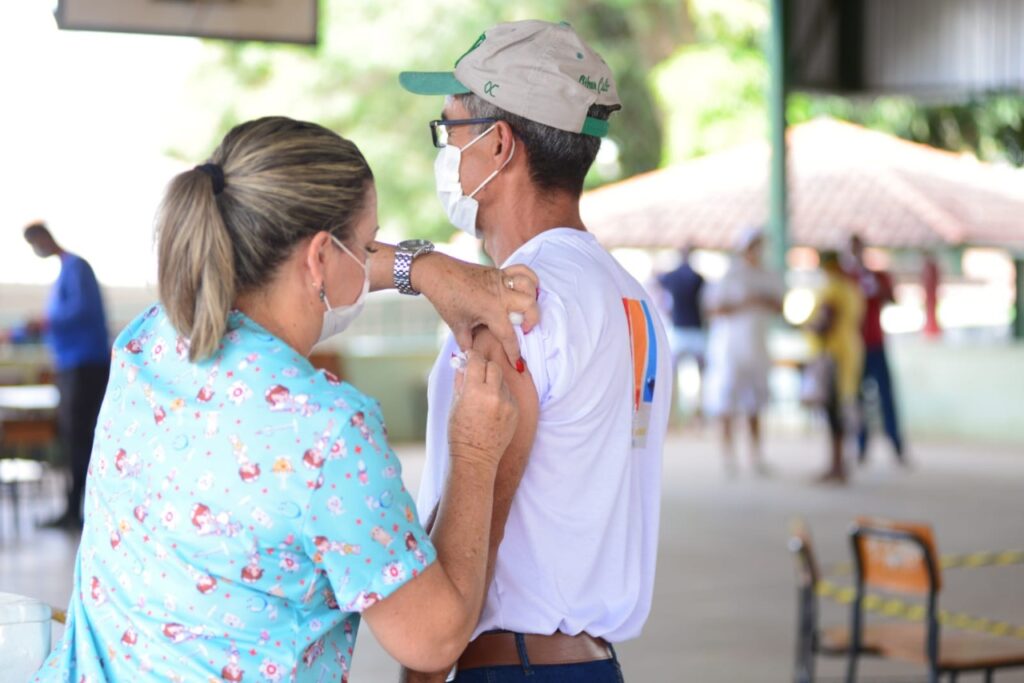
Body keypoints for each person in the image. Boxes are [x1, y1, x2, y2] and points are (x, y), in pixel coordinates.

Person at [34, 116, 544, 682]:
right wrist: (474, 455)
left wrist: (425, 271)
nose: (375, 253)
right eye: (369, 242)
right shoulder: (326, 432)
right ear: (319, 257)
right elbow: (433, 639)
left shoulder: (150, 340)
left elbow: (318, 271)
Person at [399, 20, 672, 682]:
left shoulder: (520, 298)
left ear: (498, 145)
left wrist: (423, 669)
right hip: (588, 662)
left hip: (513, 665)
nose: (448, 155)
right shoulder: (628, 294)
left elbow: (480, 511)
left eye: (450, 134)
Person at [18, 222, 110, 529]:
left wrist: (41, 323)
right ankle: (72, 509)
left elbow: (78, 312)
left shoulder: (77, 268)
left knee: (82, 438)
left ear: (44, 238)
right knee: (73, 438)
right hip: (72, 366)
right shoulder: (64, 272)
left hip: (86, 366)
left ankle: (78, 510)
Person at [701, 227, 784, 476]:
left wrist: (762, 301)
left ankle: (756, 456)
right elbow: (713, 308)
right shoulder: (730, 275)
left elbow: (780, 306)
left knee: (755, 402)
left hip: (757, 347)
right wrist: (745, 303)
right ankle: (728, 457)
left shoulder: (768, 275)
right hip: (730, 349)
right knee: (727, 401)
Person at [846, 234, 906, 465]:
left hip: (876, 344)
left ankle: (897, 446)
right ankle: (861, 447)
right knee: (857, 399)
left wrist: (876, 286)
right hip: (853, 348)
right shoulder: (846, 278)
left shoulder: (877, 276)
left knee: (886, 398)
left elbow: (891, 298)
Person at [806, 250, 864, 484]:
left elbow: (825, 321)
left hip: (833, 355)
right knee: (841, 408)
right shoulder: (850, 288)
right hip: (849, 353)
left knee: (834, 413)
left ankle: (836, 465)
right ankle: (840, 463)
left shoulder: (832, 290)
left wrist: (808, 327)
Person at [657, 246, 707, 418]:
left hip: (683, 329)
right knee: (692, 374)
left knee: (673, 375)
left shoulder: (672, 277)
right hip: (691, 330)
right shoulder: (697, 278)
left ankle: (675, 415)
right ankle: (692, 414)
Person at [922, 250, 942, 339]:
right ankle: (930, 330)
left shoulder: (932, 268)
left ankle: (933, 330)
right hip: (929, 294)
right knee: (929, 311)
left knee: (932, 311)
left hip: (932, 294)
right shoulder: (928, 268)